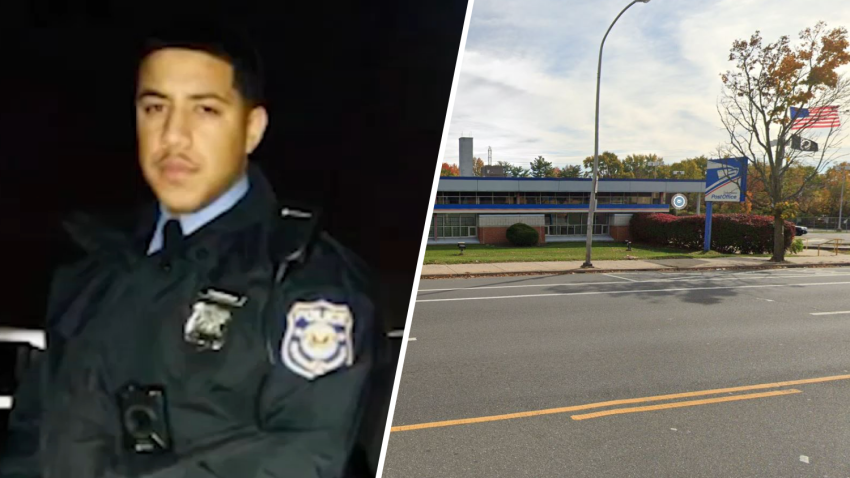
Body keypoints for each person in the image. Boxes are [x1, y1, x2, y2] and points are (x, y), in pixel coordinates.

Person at [0, 20, 378, 478]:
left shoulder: (307, 280)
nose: (173, 136)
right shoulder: (93, 271)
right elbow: (32, 439)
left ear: (251, 128)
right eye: (155, 107)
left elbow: (304, 457)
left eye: (205, 110)